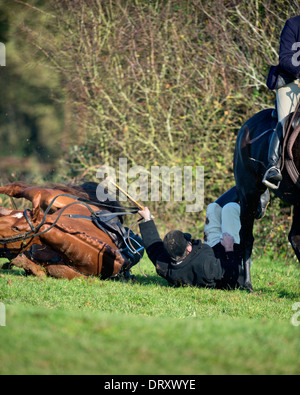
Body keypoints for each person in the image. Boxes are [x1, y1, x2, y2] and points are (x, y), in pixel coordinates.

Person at [138, 200, 244, 290]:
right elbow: (232, 275)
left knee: (213, 207)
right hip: (227, 256)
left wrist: (147, 219)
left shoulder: (165, 265)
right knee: (230, 208)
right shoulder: (206, 266)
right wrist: (229, 248)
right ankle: (256, 209)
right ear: (189, 248)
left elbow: (153, 246)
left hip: (212, 249)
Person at [263, 15, 300, 190]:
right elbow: (285, 57)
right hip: (292, 81)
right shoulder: (293, 24)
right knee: (285, 119)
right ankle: (273, 166)